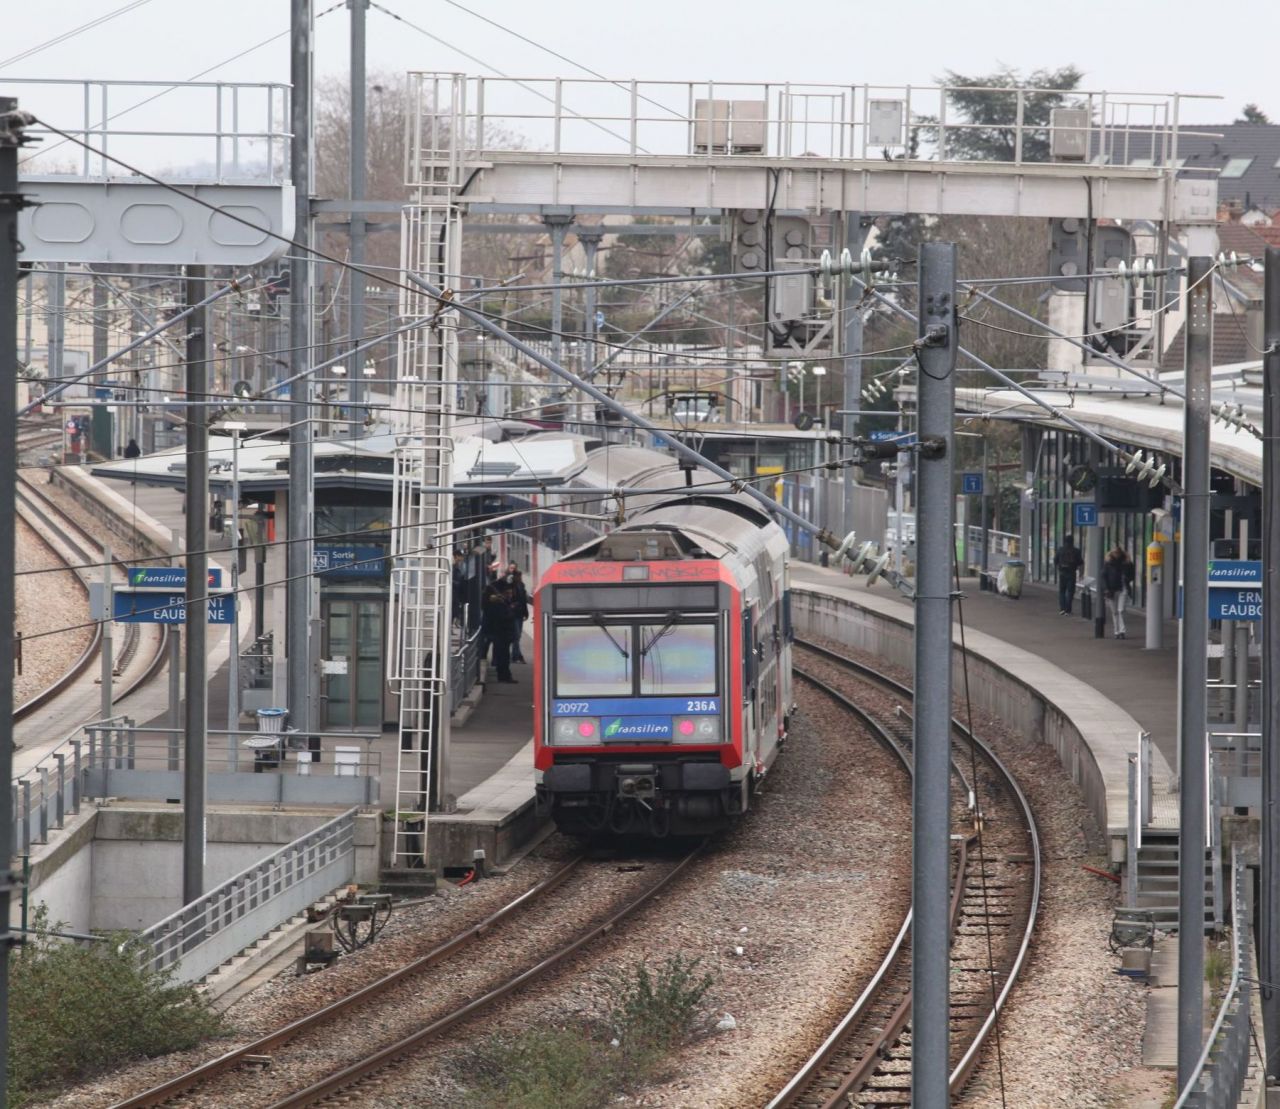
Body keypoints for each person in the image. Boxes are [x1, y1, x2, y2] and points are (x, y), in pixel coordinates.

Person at [481, 580, 516, 683]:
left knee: (503, 655)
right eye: (508, 593)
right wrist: (511, 610)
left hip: (500, 633)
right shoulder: (497, 604)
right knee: (503, 656)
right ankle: (504, 676)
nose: (510, 595)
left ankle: (504, 675)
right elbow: (503, 617)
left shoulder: (497, 602)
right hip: (502, 633)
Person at [1102, 544, 1136, 640]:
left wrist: (1127, 579)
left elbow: (1132, 574)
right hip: (1111, 590)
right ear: (1112, 553)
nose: (1117, 554)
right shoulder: (1108, 563)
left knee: (1120, 610)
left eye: (1118, 553)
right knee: (1114, 612)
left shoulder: (1127, 562)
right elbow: (1104, 576)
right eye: (1115, 553)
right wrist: (1106, 589)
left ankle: (1122, 631)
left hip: (1123, 588)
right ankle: (1116, 631)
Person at [505, 561, 530, 663]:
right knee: (516, 635)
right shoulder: (507, 582)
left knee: (517, 635)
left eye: (514, 568)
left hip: (519, 613)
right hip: (512, 613)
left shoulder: (520, 584)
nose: (512, 570)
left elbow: (523, 600)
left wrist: (525, 613)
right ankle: (516, 656)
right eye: (511, 568)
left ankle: (517, 655)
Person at [1054, 534, 1084, 615]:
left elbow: (1055, 560)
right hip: (1071, 573)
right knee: (1070, 591)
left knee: (1062, 591)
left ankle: (1062, 609)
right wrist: (1081, 574)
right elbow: (1080, 563)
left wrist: (1059, 568)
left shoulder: (1060, 550)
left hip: (1062, 573)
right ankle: (1068, 609)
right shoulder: (1076, 551)